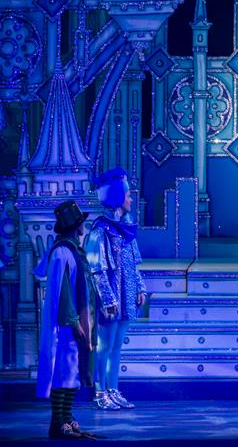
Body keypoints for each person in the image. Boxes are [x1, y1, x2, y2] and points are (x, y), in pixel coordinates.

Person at [34, 201, 98, 439]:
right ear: (74, 226)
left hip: (75, 322)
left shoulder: (73, 250)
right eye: (81, 223)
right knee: (63, 372)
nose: (83, 227)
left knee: (72, 372)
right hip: (65, 326)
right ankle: (58, 422)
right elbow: (63, 292)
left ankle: (67, 417)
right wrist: (74, 321)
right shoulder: (62, 252)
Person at [86, 168, 146, 411]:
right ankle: (100, 391)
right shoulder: (101, 230)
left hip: (126, 295)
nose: (131, 199)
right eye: (128, 195)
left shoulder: (126, 227)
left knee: (118, 345)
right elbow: (96, 269)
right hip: (110, 298)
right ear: (117, 198)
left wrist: (140, 287)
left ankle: (113, 389)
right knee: (105, 345)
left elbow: (133, 264)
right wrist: (108, 300)